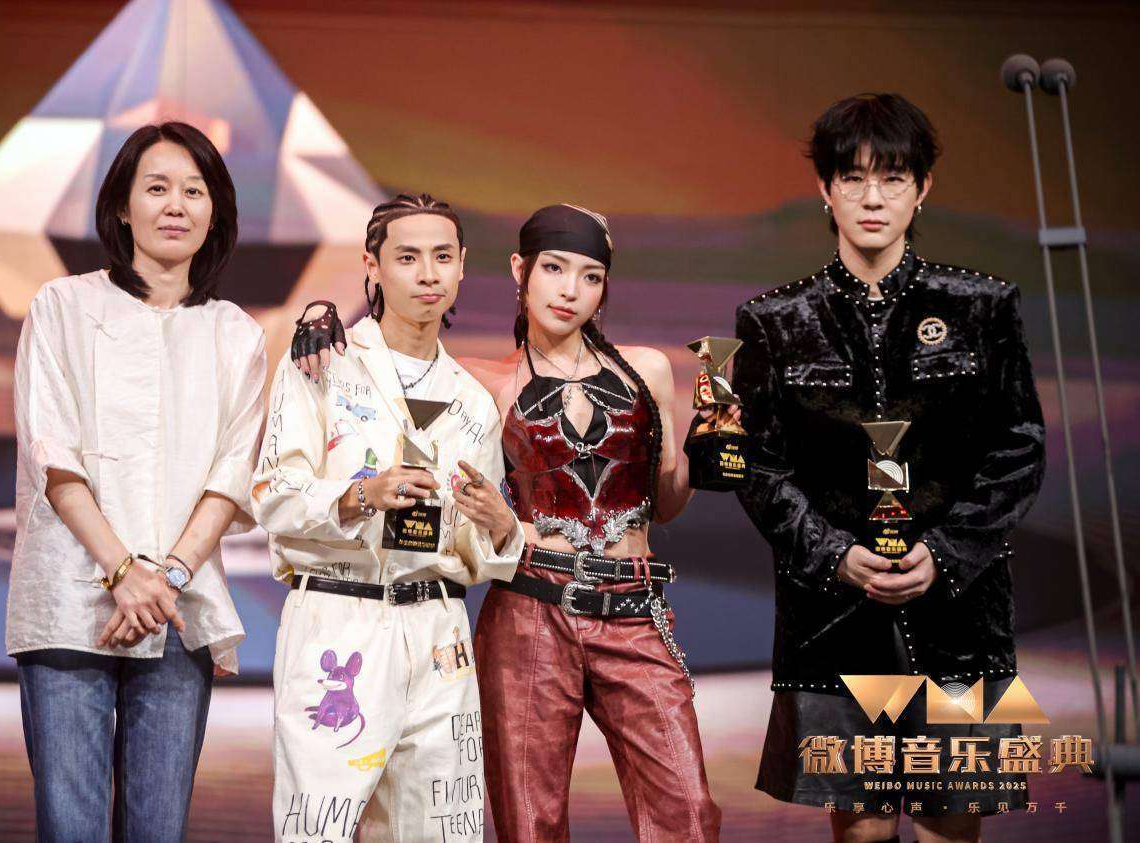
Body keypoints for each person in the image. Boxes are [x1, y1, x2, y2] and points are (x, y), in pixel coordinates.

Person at [291, 204, 727, 842]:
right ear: (520, 270)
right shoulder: (480, 383)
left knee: (688, 812)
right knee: (530, 822)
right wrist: (322, 316)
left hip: (633, 607)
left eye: (590, 276)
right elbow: (397, 361)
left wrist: (705, 456)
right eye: (554, 269)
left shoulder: (647, 370)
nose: (570, 290)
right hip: (529, 609)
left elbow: (664, 504)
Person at [733, 93, 1046, 843]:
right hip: (834, 615)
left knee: (950, 826)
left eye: (893, 177)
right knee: (861, 830)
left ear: (922, 187)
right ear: (825, 188)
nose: (872, 198)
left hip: (961, 615)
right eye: (853, 178)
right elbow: (758, 465)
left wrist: (946, 553)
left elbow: (1019, 447)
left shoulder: (982, 307)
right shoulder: (772, 322)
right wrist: (833, 555)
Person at [8, 121, 266, 841]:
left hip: (177, 613)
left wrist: (165, 577)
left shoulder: (236, 333)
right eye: (156, 188)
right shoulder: (61, 306)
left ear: (215, 211)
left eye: (194, 190)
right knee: (71, 827)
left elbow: (233, 471)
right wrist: (124, 571)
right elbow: (52, 454)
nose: (175, 205)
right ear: (123, 206)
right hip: (71, 603)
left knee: (158, 829)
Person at [252, 193, 524, 843]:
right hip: (339, 620)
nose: (427, 273)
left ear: (462, 266)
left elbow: (477, 549)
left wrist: (498, 525)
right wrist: (361, 495)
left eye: (442, 257)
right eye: (407, 257)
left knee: (442, 834)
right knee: (316, 831)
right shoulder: (320, 364)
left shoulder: (472, 403)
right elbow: (272, 493)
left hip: (438, 631)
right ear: (371, 267)